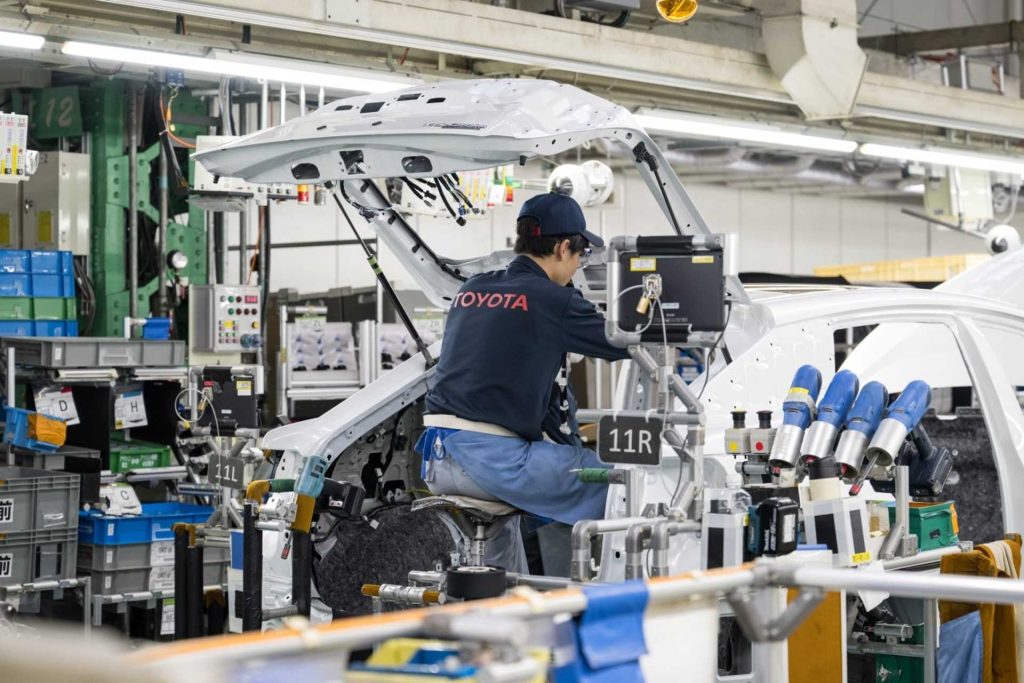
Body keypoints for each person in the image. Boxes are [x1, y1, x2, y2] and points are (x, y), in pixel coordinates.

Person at [415, 192, 630, 572]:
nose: (578, 265)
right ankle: (636, 593)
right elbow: (627, 342)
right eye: (581, 255)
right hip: (495, 463)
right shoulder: (555, 300)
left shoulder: (472, 289)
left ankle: (506, 602)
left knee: (502, 556)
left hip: (436, 459)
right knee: (625, 482)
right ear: (563, 248)